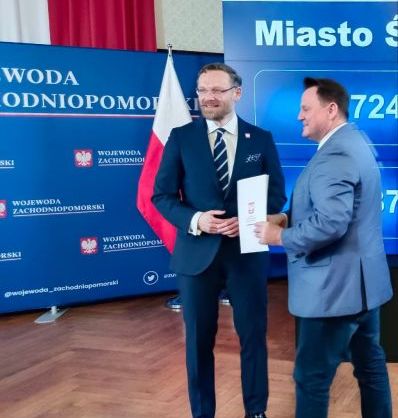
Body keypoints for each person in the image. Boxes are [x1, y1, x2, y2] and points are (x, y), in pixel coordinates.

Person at [152, 63, 286, 418]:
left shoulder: (261, 139)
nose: (208, 98)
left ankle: (256, 411)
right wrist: (197, 220)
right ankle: (202, 413)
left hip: (247, 254)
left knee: (253, 337)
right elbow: (162, 196)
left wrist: (250, 220)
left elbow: (276, 196)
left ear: (236, 93)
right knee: (198, 342)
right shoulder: (181, 138)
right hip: (196, 256)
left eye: (216, 90)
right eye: (202, 90)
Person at [255, 77, 393, 418]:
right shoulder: (356, 141)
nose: (299, 116)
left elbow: (331, 222)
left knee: (311, 379)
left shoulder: (335, 154)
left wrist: (279, 237)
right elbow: (341, 210)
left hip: (333, 292)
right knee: (370, 367)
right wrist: (286, 218)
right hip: (363, 288)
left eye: (305, 109)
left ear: (331, 110)